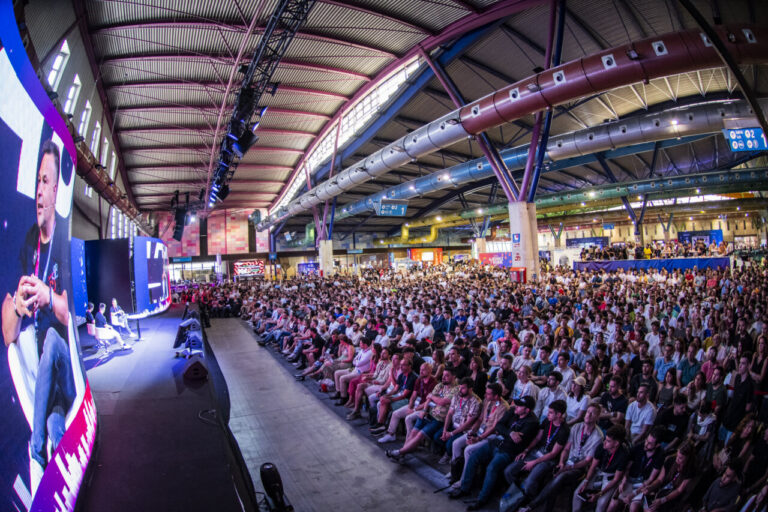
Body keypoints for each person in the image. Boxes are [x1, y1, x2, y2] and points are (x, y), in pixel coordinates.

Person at [1, 140, 76, 472]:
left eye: (46, 182)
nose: (39, 192)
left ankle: (35, 448)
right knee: (54, 424)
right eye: (37, 182)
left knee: (54, 342)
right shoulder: (29, 242)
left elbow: (69, 314)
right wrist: (18, 307)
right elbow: (7, 334)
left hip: (66, 366)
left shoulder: (63, 241)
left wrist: (48, 295)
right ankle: (53, 457)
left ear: (56, 190)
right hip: (48, 385)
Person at [448, 395, 539, 510]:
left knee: (491, 468)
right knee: (473, 457)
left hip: (508, 451)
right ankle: (465, 489)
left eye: (520, 406)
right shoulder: (513, 411)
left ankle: (482, 499)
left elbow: (517, 440)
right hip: (496, 443)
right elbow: (499, 426)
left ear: (527, 410)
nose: (516, 406)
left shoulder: (532, 422)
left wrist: (506, 432)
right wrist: (511, 433)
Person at [520, 403, 605, 512]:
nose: (588, 415)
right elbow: (566, 449)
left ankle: (532, 505)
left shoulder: (598, 437)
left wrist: (569, 467)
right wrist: (561, 462)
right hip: (567, 461)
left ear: (597, 417)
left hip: (579, 467)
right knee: (555, 474)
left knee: (560, 477)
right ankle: (542, 507)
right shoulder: (576, 427)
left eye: (592, 413)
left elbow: (587, 460)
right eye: (588, 412)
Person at [500, 400, 570, 511]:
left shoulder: (564, 430)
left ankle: (529, 499)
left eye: (551, 412)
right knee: (509, 471)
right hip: (536, 452)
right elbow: (537, 438)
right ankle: (518, 494)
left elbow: (553, 453)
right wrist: (526, 450)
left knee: (530, 482)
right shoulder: (547, 421)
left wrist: (534, 462)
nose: (547, 414)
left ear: (559, 414)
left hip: (548, 459)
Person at [572, 425, 630, 512]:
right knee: (577, 493)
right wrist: (586, 481)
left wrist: (599, 494)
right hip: (598, 472)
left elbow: (616, 479)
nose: (604, 442)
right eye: (605, 439)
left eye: (608, 441)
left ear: (616, 443)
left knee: (601, 503)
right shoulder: (601, 447)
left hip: (610, 477)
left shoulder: (623, 455)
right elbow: (593, 466)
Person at [608, 427, 665, 512]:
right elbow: (627, 467)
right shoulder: (638, 447)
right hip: (630, 479)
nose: (646, 444)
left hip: (643, 484)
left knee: (633, 507)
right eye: (646, 440)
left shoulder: (660, 455)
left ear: (657, 445)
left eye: (650, 443)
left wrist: (634, 494)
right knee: (613, 504)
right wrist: (624, 479)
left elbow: (650, 479)